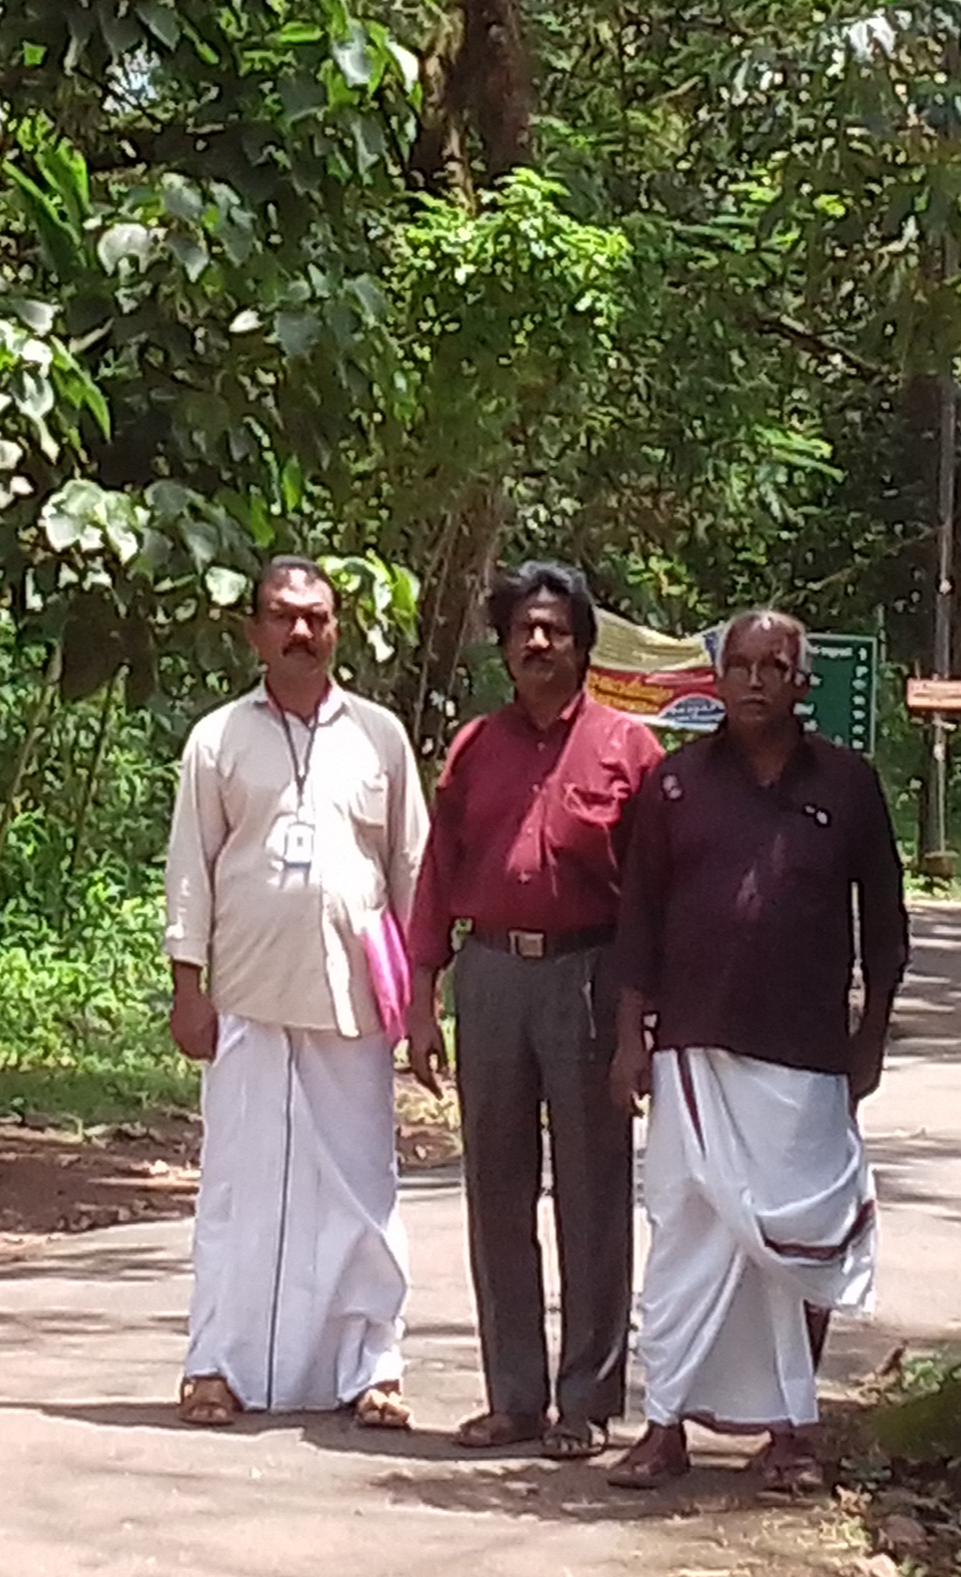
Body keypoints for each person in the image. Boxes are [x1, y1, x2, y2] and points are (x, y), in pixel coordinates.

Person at [604, 607, 908, 1495]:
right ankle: (663, 1427)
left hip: (807, 1056)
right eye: (739, 664)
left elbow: (884, 926)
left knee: (799, 1241)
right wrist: (628, 1040)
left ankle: (790, 1433)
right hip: (692, 1053)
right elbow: (638, 923)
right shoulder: (673, 786)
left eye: (774, 666)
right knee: (685, 1238)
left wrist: (871, 1037)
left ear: (801, 683)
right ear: (718, 677)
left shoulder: (848, 785)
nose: (754, 680)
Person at [164, 555, 432, 1430]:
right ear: (254, 633)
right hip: (246, 995)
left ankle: (372, 1369)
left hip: (354, 1004)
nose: (301, 631)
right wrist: (187, 986)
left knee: (361, 1192)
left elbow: (413, 871)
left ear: (337, 630)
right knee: (235, 1189)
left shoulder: (380, 737)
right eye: (283, 616)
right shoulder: (216, 739)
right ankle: (215, 1364)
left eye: (316, 616)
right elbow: (190, 868)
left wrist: (424, 1000)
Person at [403, 559, 659, 1459]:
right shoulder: (475, 747)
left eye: (554, 629)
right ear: (505, 648)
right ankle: (513, 1397)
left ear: (584, 645)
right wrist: (421, 998)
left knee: (593, 1191)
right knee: (497, 1190)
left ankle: (585, 1402)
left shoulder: (630, 750)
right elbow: (437, 875)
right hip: (490, 978)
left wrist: (639, 1023)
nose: (538, 642)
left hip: (588, 975)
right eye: (523, 631)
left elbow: (651, 897)